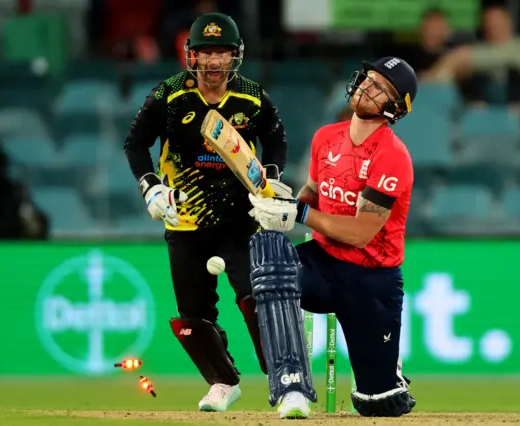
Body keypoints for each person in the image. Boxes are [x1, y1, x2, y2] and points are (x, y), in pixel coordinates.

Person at [123, 11, 289, 412]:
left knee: (257, 298)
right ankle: (221, 381)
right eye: (206, 53)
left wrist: (271, 175)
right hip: (185, 219)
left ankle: (283, 379)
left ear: (236, 56)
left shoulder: (251, 95)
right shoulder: (169, 94)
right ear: (191, 57)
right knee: (192, 316)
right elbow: (135, 144)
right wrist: (151, 188)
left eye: (223, 53)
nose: (214, 62)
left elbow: (275, 138)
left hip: (240, 218)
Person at [246, 57, 418, 418]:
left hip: (372, 279)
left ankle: (389, 376)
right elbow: (313, 192)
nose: (366, 87)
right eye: (368, 79)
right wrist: (279, 201)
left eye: (380, 88)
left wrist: (299, 213)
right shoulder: (326, 137)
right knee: (270, 263)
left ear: (395, 108)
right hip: (322, 262)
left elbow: (360, 232)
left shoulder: (392, 156)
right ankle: (291, 383)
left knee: (378, 404)